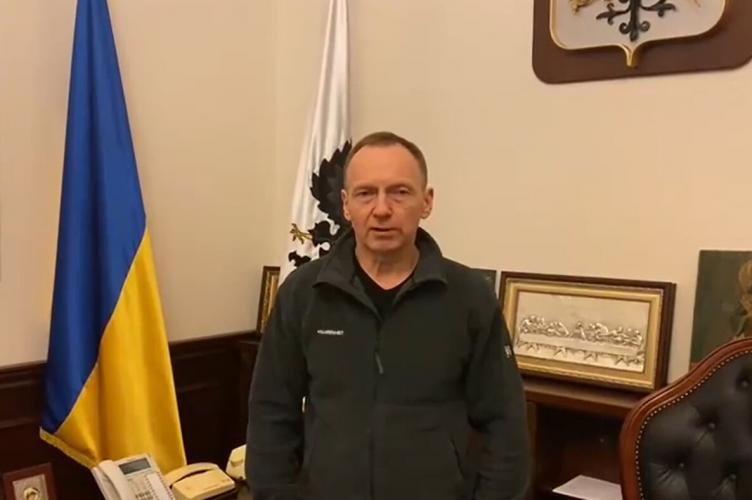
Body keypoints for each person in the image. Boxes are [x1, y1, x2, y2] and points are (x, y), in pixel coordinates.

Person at [246, 131, 530, 500]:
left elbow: (505, 425)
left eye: (400, 192)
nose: (382, 209)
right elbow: (271, 414)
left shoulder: (469, 297)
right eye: (366, 193)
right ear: (346, 205)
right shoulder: (303, 293)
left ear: (426, 202)